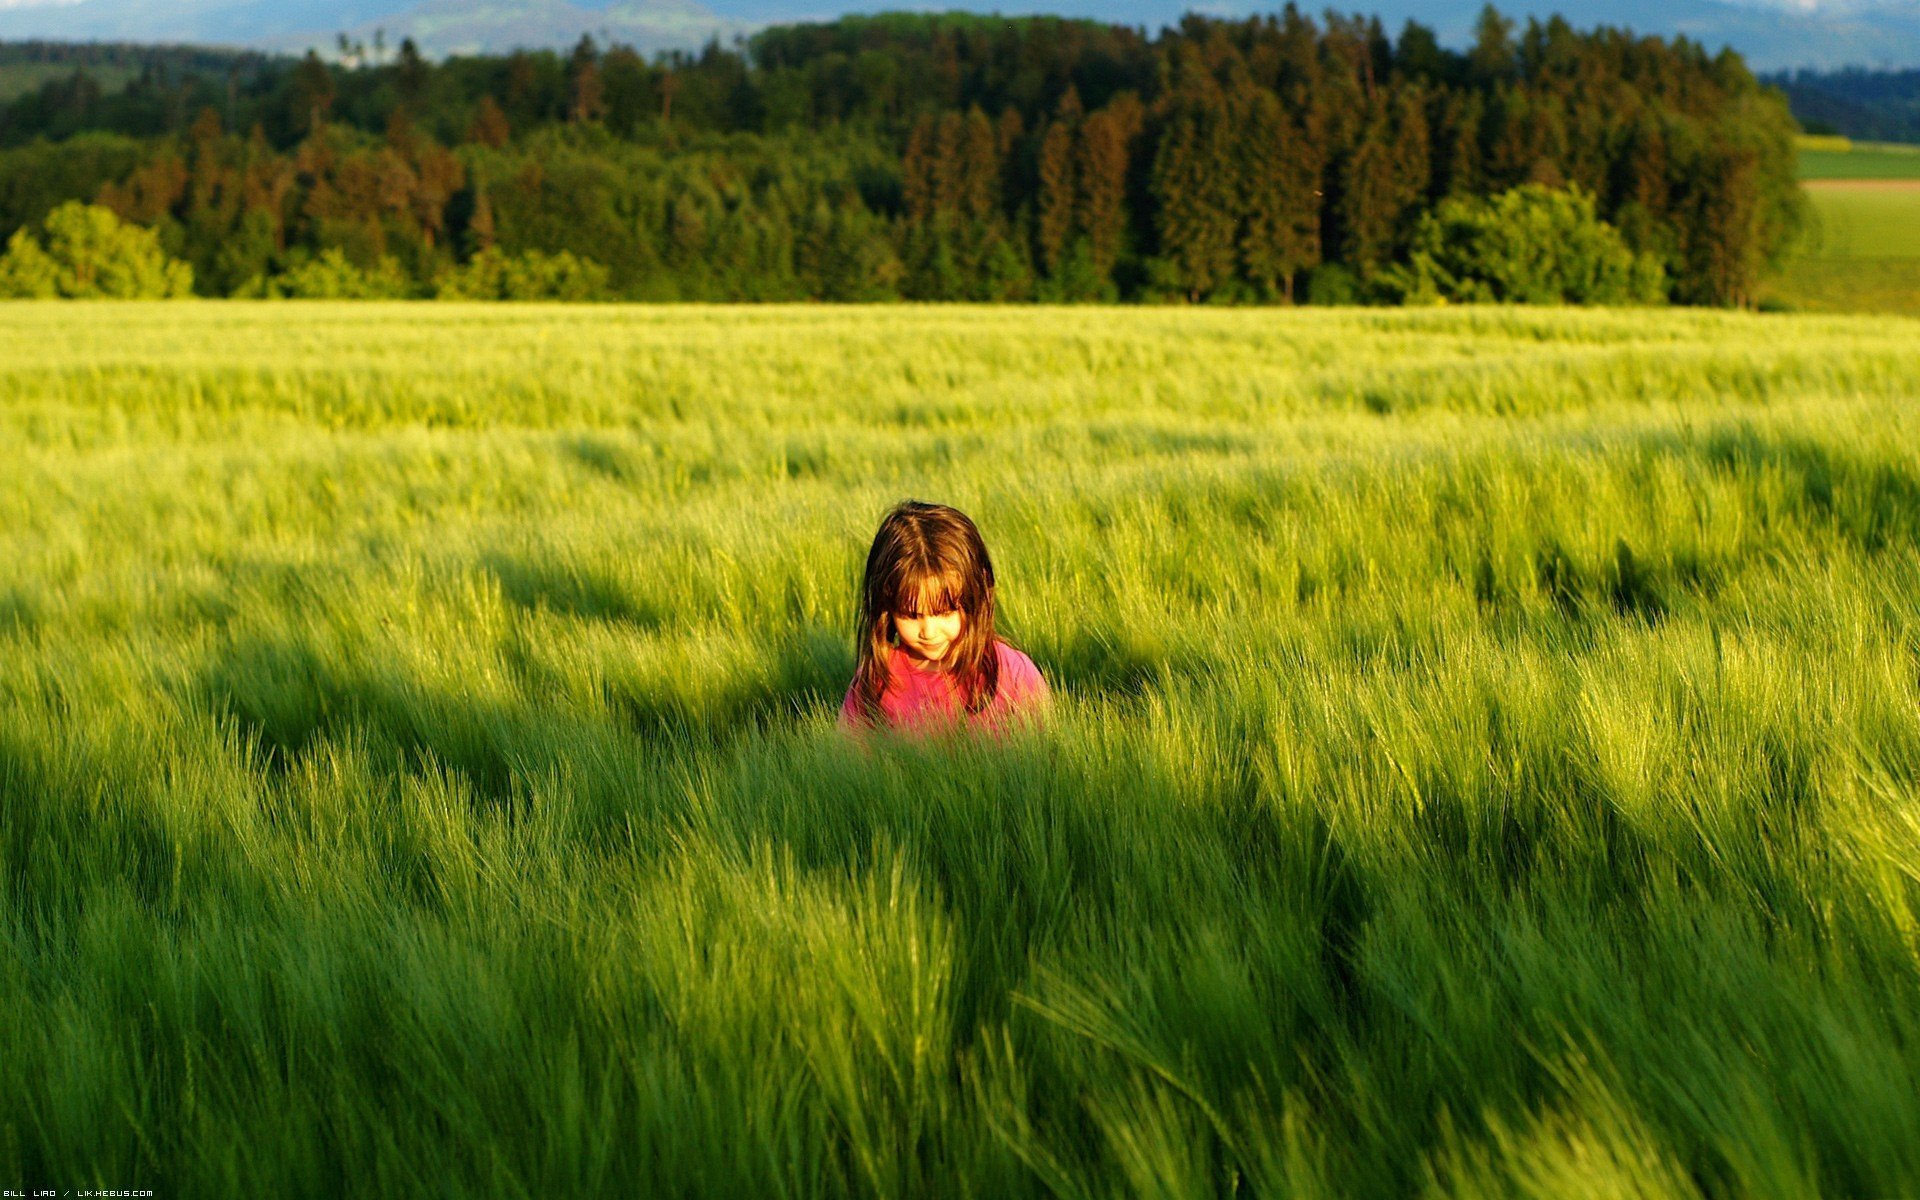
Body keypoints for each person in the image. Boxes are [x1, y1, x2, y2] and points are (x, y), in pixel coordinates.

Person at [838, 500, 1049, 733]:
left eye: (945, 611)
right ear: (886, 605)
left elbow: (1048, 753)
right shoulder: (875, 682)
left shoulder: (1012, 673)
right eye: (911, 615)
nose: (928, 631)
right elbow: (848, 762)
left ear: (975, 595)